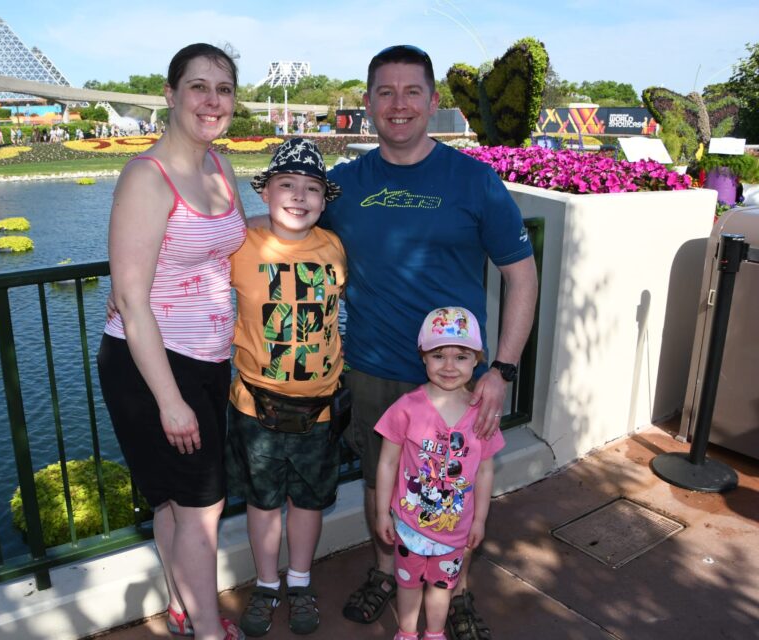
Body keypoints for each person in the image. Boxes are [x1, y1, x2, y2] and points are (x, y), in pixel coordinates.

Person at [323, 45, 538, 639]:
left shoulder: (475, 180)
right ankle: (386, 570)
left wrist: (502, 370)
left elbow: (521, 273)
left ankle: (454, 585)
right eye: (385, 93)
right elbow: (277, 223)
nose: (399, 105)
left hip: (459, 378)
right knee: (380, 484)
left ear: (434, 101)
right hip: (374, 368)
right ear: (366, 104)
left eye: (412, 91)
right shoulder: (343, 186)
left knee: (458, 486)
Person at [97, 42, 247, 640]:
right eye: (198, 86)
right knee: (204, 511)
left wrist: (305, 223)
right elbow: (133, 300)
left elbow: (229, 237)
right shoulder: (146, 176)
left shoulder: (220, 166)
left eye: (224, 89)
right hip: (153, 367)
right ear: (170, 94)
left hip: (210, 359)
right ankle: (209, 630)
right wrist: (169, 401)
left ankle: (181, 605)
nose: (212, 101)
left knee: (174, 505)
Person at [225, 138, 346, 637]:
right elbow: (178, 260)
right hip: (257, 408)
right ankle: (267, 583)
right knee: (263, 501)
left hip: (319, 409)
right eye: (287, 185)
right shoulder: (240, 245)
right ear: (266, 192)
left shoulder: (334, 247)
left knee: (310, 501)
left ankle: (300, 580)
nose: (299, 196)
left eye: (311, 188)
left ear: (323, 198)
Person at [375, 307, 504, 640]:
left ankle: (434, 633)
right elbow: (388, 462)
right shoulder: (406, 407)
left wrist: (480, 520)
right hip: (409, 525)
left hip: (455, 531)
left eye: (461, 356)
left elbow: (486, 471)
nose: (449, 366)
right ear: (423, 357)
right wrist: (382, 513)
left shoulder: (483, 414)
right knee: (408, 583)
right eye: (438, 355)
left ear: (477, 359)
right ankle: (406, 632)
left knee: (441, 587)